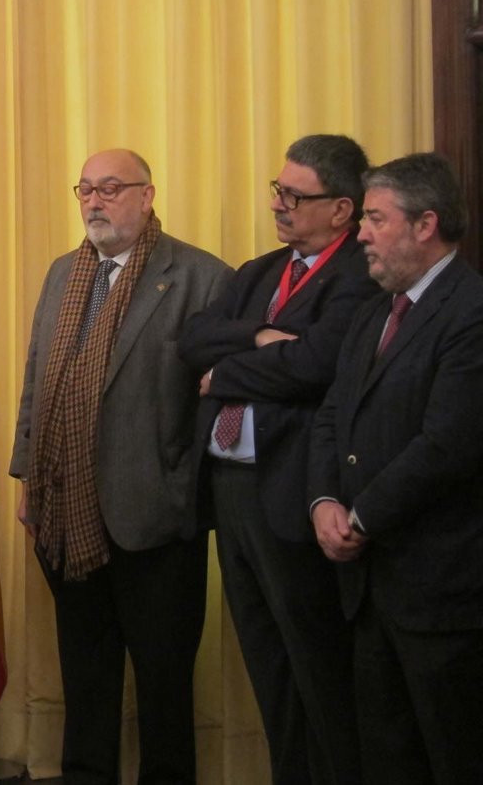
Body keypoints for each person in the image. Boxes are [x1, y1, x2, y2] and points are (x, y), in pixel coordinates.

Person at [9, 148, 231, 785]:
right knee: (85, 676)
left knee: (164, 684)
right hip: (64, 508)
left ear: (147, 195)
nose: (95, 202)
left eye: (110, 188)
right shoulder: (63, 273)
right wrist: (28, 475)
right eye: (85, 190)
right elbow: (38, 380)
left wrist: (185, 491)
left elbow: (215, 403)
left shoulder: (201, 277)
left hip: (154, 515)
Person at [178, 134, 375, 785]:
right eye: (277, 190)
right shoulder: (261, 271)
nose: (278, 205)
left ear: (341, 209)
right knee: (267, 662)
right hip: (231, 489)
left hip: (294, 493)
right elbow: (194, 338)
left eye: (294, 196)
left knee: (316, 667)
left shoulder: (359, 274)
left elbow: (317, 363)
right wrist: (261, 338)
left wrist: (228, 373)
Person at [309, 152, 483, 785]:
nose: (361, 234)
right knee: (387, 759)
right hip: (370, 592)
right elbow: (332, 416)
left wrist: (360, 518)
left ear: (425, 224)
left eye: (376, 219)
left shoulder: (471, 311)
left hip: (442, 592)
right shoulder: (374, 312)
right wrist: (323, 502)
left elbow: (447, 445)